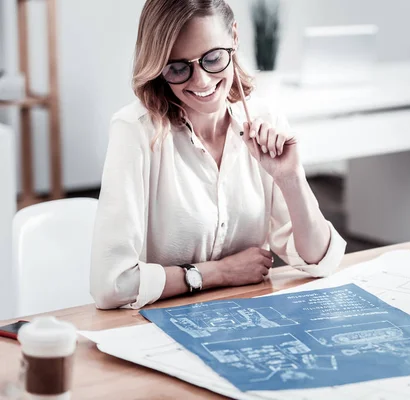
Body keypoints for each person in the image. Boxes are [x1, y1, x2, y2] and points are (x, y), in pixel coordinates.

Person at [90, 0, 347, 310]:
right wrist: (218, 273)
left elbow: (320, 261)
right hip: (158, 324)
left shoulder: (265, 119)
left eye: (212, 58)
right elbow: (110, 284)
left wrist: (290, 179)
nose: (201, 81)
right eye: (178, 67)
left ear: (234, 38)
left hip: (248, 316)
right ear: (159, 67)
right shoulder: (135, 131)